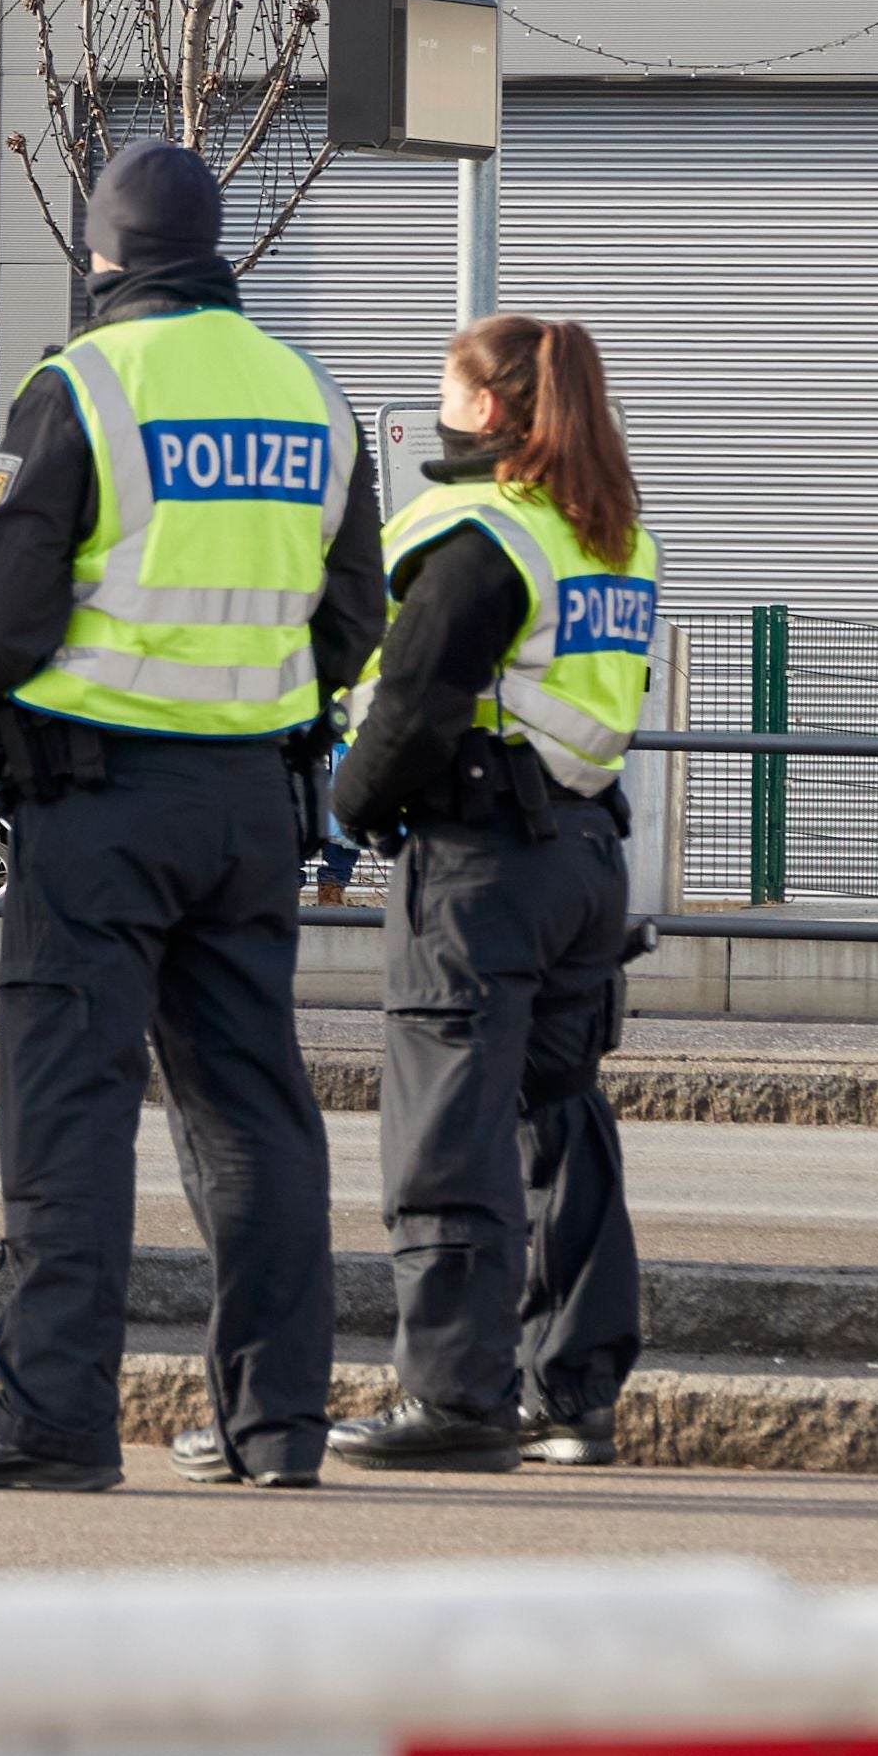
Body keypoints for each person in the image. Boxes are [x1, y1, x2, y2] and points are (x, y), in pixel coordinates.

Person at [0, 147, 381, 1492]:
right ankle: (272, 1423)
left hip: (94, 801)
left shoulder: (80, 387)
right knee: (253, 1115)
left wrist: (3, 720)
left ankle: (53, 1414)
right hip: (248, 805)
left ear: (102, 256)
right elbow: (352, 614)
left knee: (69, 1111)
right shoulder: (310, 394)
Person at [319, 311, 662, 1472]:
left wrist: (351, 808)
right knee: (560, 1122)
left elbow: (410, 701)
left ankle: (456, 1396)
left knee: (449, 1129)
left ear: (495, 410)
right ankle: (575, 1391)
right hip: (583, 857)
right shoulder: (608, 533)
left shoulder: (480, 534)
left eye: (450, 390)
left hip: (478, 863)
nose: (438, 407)